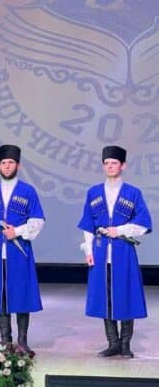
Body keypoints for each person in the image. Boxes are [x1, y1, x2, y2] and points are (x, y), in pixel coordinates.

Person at [78, 145, 152, 359]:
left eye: (114, 163)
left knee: (126, 293)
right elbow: (88, 224)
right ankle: (112, 342)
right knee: (105, 296)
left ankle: (125, 343)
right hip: (100, 251)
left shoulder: (133, 193)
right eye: (107, 163)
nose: (110, 167)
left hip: (123, 250)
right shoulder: (93, 192)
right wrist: (88, 250)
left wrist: (119, 230)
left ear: (123, 166)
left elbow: (144, 223)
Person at [0, 144, 44, 353]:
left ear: (18, 165)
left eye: (10, 162)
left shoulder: (28, 191)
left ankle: (22, 341)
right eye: (3, 163)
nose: (6, 166)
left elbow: (38, 220)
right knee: (0, 295)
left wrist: (18, 231)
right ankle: (5, 339)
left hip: (19, 251)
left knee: (21, 295)